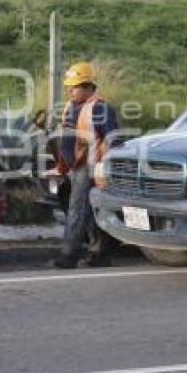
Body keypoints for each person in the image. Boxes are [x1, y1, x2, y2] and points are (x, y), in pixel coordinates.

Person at [50, 61, 119, 269]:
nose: (70, 89)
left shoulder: (100, 108)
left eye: (75, 86)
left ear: (89, 86)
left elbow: (113, 141)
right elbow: (67, 141)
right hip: (75, 168)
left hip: (91, 167)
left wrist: (106, 168)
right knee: (89, 213)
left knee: (77, 210)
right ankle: (100, 254)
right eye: (69, 86)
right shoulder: (71, 107)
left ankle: (68, 256)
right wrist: (62, 167)